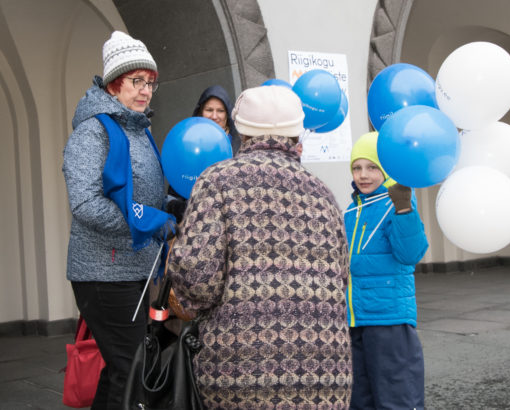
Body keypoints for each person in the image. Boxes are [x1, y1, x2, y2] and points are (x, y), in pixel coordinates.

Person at [166, 85, 352, 408]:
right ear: (297, 135)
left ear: (241, 131)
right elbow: (343, 278)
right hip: (326, 376)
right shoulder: (324, 195)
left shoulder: (216, 182)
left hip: (241, 374)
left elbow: (196, 281)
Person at [62, 31, 175, 409]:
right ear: (113, 84)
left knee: (120, 371)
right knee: (131, 370)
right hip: (102, 274)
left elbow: (145, 195)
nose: (145, 91)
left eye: (150, 83)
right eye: (136, 81)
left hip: (136, 271)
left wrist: (170, 207)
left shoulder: (139, 130)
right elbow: (86, 204)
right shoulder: (92, 132)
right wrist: (151, 221)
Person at [344, 131, 429, 410]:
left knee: (397, 396)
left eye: (372, 167)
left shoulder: (398, 202)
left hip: (389, 319)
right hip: (354, 320)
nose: (363, 175)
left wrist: (404, 210)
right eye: (357, 167)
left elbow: (410, 254)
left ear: (387, 170)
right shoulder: (350, 211)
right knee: (360, 399)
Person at [166, 84, 240, 222]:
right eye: (209, 110)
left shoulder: (239, 145)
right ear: (200, 112)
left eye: (220, 111)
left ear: (227, 114)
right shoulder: (186, 142)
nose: (214, 116)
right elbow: (176, 190)